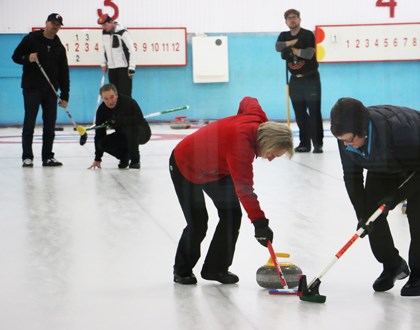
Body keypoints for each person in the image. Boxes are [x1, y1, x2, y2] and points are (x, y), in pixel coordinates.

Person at [330, 97, 420, 296]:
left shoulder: (398, 130)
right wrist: (362, 216)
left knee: (416, 211)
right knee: (372, 214)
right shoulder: (347, 140)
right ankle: (392, 265)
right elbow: (351, 177)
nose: (346, 145)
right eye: (342, 140)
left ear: (363, 130)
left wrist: (394, 198)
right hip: (388, 158)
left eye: (350, 140)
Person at [170, 96, 294, 285]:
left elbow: (248, 100)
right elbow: (245, 191)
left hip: (216, 167)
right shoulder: (241, 148)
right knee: (198, 223)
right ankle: (182, 270)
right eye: (272, 154)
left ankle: (215, 269)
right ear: (267, 142)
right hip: (186, 165)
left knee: (231, 214)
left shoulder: (258, 118)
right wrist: (260, 223)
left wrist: (234, 124)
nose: (270, 159)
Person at [12, 13, 70, 168]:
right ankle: (27, 157)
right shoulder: (31, 39)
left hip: (51, 91)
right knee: (29, 122)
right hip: (32, 88)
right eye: (53, 23)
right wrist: (27, 58)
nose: (55, 27)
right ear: (46, 23)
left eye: (58, 25)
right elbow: (15, 56)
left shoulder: (59, 47)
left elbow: (64, 73)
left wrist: (65, 96)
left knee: (50, 124)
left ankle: (47, 157)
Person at [275, 9, 323, 154]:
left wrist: (293, 50)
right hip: (295, 81)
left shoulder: (307, 34)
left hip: (311, 78)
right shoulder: (284, 35)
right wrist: (291, 43)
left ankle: (317, 143)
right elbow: (278, 48)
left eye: (294, 17)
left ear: (299, 19)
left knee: (314, 112)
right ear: (286, 22)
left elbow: (309, 54)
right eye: (289, 18)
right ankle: (304, 143)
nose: (292, 20)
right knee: (300, 114)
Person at [88, 83, 150, 170]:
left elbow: (139, 119)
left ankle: (135, 160)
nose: (110, 101)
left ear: (117, 95)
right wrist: (97, 158)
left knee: (129, 128)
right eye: (106, 99)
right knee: (102, 143)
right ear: (102, 98)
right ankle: (124, 157)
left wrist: (119, 120)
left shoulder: (128, 102)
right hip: (123, 134)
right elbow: (99, 134)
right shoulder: (102, 110)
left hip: (142, 132)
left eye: (112, 97)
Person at [97, 14, 136, 97]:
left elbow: (132, 49)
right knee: (114, 94)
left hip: (124, 68)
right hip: (112, 68)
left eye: (105, 25)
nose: (103, 27)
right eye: (102, 26)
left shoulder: (122, 32)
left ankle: (127, 110)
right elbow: (104, 48)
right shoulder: (104, 33)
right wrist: (103, 63)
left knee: (125, 94)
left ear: (111, 22)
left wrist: (132, 67)